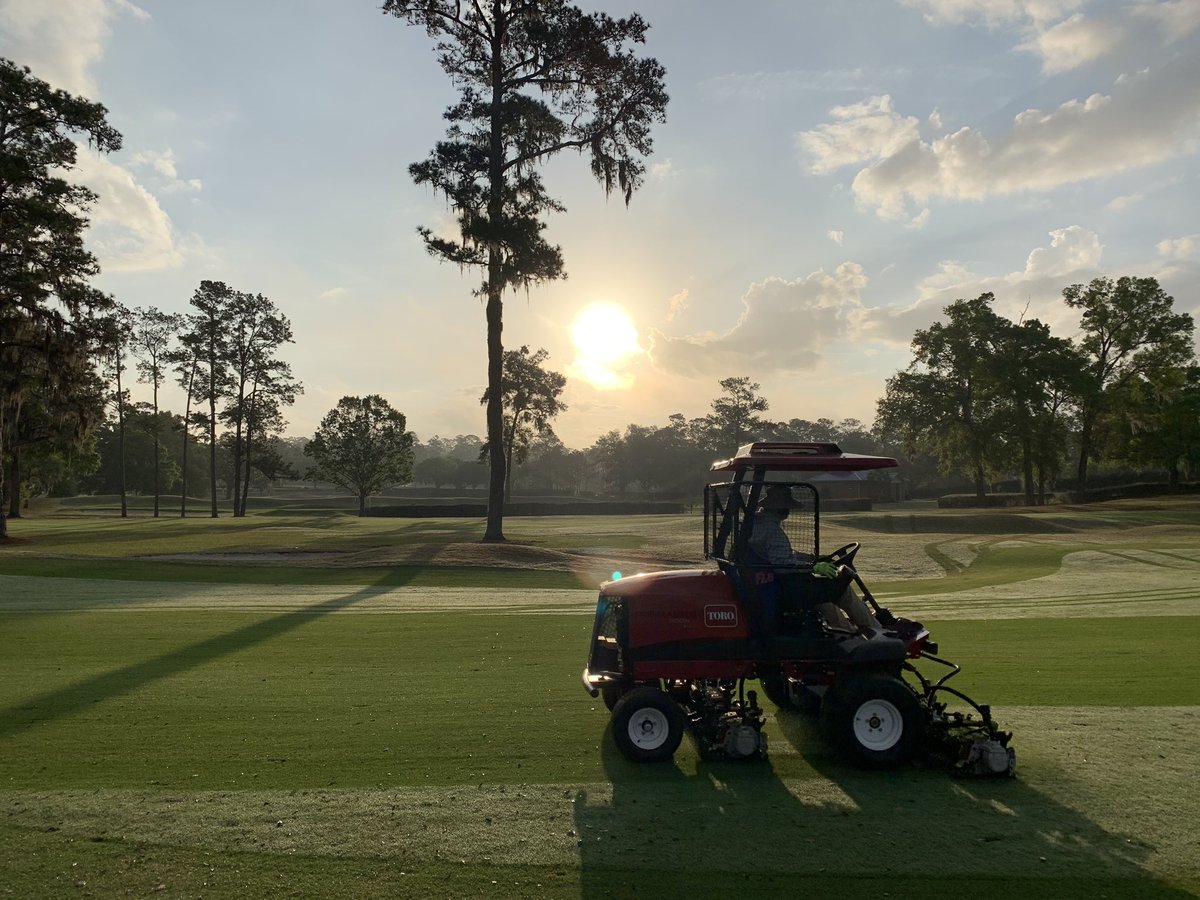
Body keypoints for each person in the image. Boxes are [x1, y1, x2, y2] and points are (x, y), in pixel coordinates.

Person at [747, 484, 881, 636]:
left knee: (827, 602)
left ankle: (849, 635)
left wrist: (812, 558)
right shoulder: (772, 531)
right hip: (788, 587)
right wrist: (813, 567)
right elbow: (782, 564)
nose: (789, 511)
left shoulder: (755, 525)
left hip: (777, 584)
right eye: (787, 507)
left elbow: (780, 555)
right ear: (781, 509)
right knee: (843, 592)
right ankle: (876, 633)